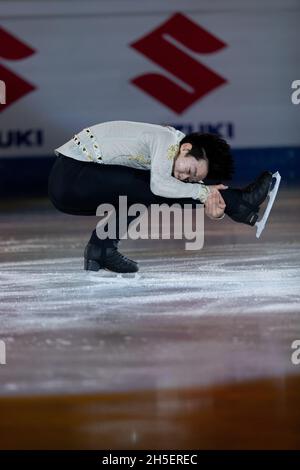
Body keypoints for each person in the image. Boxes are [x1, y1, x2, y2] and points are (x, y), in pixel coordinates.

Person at [48, 120, 273, 273]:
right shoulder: (166, 140)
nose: (185, 177)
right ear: (186, 148)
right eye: (191, 171)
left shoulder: (173, 151)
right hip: (71, 177)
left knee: (143, 191)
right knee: (152, 187)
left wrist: (212, 205)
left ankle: (102, 249)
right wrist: (206, 194)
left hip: (75, 182)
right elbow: (161, 187)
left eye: (192, 179)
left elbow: (173, 189)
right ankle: (240, 203)